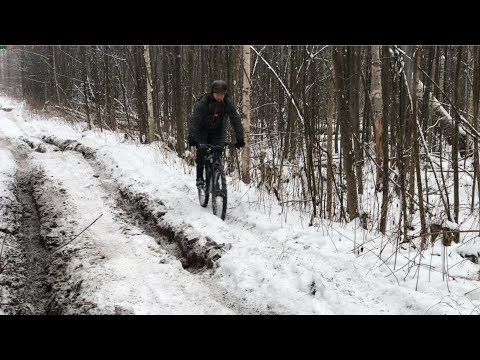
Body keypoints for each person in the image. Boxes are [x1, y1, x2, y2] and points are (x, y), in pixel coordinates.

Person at [188, 80, 245, 188]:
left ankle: (216, 176)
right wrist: (192, 137)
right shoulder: (205, 101)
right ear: (212, 93)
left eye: (222, 94)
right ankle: (200, 178)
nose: (219, 96)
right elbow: (195, 120)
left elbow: (235, 119)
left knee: (218, 150)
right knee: (201, 151)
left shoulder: (227, 103)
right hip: (202, 129)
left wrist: (240, 138)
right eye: (217, 94)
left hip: (217, 130)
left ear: (225, 94)